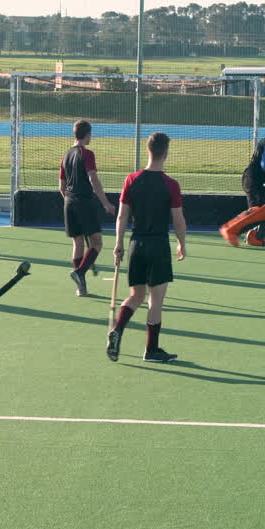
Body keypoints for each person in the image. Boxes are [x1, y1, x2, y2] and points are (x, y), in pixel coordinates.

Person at [107, 132, 187, 363]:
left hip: (136, 244)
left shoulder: (131, 180)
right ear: (166, 153)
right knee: (156, 300)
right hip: (158, 245)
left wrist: (119, 244)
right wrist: (182, 243)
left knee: (136, 295)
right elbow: (178, 219)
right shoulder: (171, 185)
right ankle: (151, 350)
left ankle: (118, 329)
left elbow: (122, 216)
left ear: (148, 151)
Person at [60, 119, 116, 296]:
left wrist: (71, 202)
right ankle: (80, 272)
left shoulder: (66, 155)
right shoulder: (87, 154)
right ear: (87, 135)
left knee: (78, 243)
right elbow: (93, 179)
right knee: (97, 242)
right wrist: (106, 203)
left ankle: (80, 286)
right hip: (84, 202)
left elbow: (61, 187)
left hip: (69, 202)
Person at [219, 118, 265, 247]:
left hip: (258, 179)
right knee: (259, 210)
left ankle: (256, 237)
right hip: (255, 180)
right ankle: (231, 230)